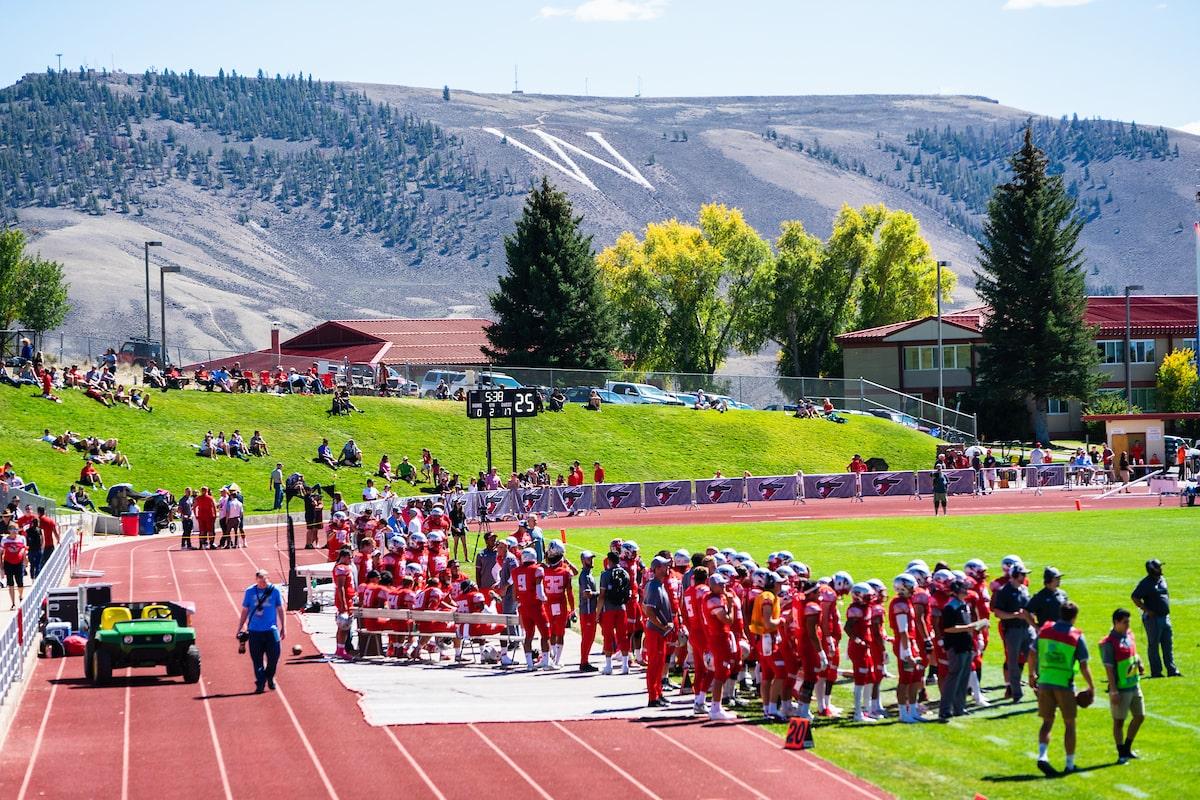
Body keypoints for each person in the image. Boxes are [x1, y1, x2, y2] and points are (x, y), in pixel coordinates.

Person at [1029, 601, 1095, 776]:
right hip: (1064, 685)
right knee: (1069, 724)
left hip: (1044, 681)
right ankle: (1070, 764)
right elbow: (1083, 665)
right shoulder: (1076, 636)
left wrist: (1031, 675)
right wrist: (1091, 686)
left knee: (1047, 721)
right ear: (1074, 617)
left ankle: (1042, 756)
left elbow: (1032, 652)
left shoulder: (1044, 631)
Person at [1100, 608, 1146, 764]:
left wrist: (1139, 662)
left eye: (1129, 622)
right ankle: (1121, 753)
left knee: (1140, 716)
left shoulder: (1129, 634)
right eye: (1125, 622)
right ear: (1116, 623)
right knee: (1119, 722)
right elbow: (1109, 668)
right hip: (1121, 688)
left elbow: (1134, 653)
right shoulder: (1108, 643)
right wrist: (1113, 690)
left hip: (1134, 684)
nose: (1128, 625)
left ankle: (1127, 747)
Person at [938, 579, 988, 721]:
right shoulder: (950, 607)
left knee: (964, 678)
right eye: (963, 590)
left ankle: (960, 707)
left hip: (966, 645)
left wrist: (978, 626)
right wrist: (969, 627)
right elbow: (948, 628)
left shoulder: (963, 604)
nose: (966, 592)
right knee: (953, 678)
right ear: (955, 592)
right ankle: (945, 710)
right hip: (955, 646)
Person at [236, 568, 286, 693]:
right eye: (261, 581)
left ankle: (269, 676)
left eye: (265, 581)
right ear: (256, 580)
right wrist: (240, 627)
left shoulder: (274, 591)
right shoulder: (250, 591)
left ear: (268, 579)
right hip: (254, 631)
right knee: (257, 659)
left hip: (271, 630)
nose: (263, 584)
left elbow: (280, 609)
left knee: (274, 657)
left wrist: (284, 627)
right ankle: (260, 682)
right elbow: (245, 611)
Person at [991, 561, 1033, 703]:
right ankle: (1016, 693)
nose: (1025, 577)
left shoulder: (1024, 589)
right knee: (1013, 662)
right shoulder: (1004, 591)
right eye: (1023, 574)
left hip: (1027, 629)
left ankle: (1039, 687)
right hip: (1013, 630)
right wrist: (1015, 615)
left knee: (1034, 657)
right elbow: (997, 613)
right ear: (1015, 575)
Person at [1131, 559, 1179, 678]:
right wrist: (1146, 610)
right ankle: (1156, 672)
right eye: (1159, 567)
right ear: (1152, 569)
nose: (1161, 569)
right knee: (1154, 646)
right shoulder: (1145, 583)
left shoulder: (1163, 580)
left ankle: (1172, 670)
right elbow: (1135, 597)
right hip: (1153, 619)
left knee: (1168, 644)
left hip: (1165, 617)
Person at [640, 556, 674, 708]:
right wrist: (662, 626)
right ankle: (653, 697)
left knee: (660, 664)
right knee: (654, 664)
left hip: (659, 631)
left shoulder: (659, 584)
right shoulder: (654, 586)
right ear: (657, 568)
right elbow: (648, 610)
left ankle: (658, 693)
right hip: (656, 631)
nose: (668, 568)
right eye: (665, 566)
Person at [512, 548, 551, 670]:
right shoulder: (537, 569)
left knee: (528, 636)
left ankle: (529, 664)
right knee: (545, 634)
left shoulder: (516, 571)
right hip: (536, 607)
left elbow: (514, 594)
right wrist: (545, 599)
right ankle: (545, 661)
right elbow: (539, 592)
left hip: (524, 607)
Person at [597, 552, 631, 675]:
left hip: (608, 609)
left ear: (609, 561)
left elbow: (601, 596)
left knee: (608, 636)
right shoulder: (625, 573)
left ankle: (608, 666)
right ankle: (625, 665)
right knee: (623, 636)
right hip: (622, 609)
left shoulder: (605, 575)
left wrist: (597, 613)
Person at [577, 550, 600, 672]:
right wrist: (601, 593)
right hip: (588, 610)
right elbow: (587, 594)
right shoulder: (585, 576)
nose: (591, 561)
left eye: (591, 558)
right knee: (587, 637)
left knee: (589, 637)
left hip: (589, 610)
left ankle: (584, 661)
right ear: (583, 560)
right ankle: (584, 662)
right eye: (588, 559)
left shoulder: (588, 574)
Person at [332, 548, 356, 659]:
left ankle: (339, 649)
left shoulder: (344, 567)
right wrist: (343, 603)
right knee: (344, 625)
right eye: (349, 557)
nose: (350, 560)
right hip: (345, 599)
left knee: (343, 625)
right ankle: (341, 650)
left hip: (348, 598)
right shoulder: (341, 568)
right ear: (344, 557)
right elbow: (340, 586)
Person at [2, 524, 28, 608]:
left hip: (19, 563)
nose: (15, 531)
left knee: (20, 582)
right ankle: (13, 603)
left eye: (16, 529)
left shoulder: (22, 538)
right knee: (10, 583)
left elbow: (24, 549)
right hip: (8, 563)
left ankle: (20, 596)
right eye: (13, 529)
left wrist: (25, 559)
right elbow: (1, 552)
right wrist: (1, 567)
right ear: (9, 530)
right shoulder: (4, 539)